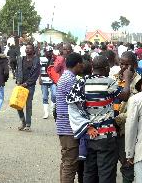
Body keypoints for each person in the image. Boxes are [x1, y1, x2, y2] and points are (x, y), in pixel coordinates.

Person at [67, 55, 133, 183]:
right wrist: (127, 79)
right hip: (106, 136)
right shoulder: (108, 82)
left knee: (89, 172)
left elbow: (74, 105)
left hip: (89, 134)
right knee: (106, 173)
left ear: (92, 67)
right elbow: (124, 96)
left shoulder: (83, 82)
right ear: (107, 68)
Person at [56, 52, 84, 183]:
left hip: (64, 126)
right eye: (82, 64)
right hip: (68, 127)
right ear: (78, 64)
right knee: (70, 163)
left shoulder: (65, 77)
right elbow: (78, 103)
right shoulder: (70, 80)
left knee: (66, 161)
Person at [113, 51, 141, 183]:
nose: (123, 67)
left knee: (127, 166)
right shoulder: (113, 78)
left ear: (134, 65)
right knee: (109, 165)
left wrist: (117, 119)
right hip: (111, 129)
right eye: (121, 64)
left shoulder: (139, 82)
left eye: (127, 64)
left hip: (126, 130)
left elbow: (135, 111)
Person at [16, 44, 40, 131]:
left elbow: (35, 75)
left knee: (28, 105)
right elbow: (18, 70)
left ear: (33, 50)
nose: (28, 49)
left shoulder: (36, 61)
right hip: (20, 85)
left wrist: (26, 84)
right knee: (18, 104)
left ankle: (28, 124)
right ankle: (23, 122)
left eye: (30, 48)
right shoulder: (21, 59)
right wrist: (18, 81)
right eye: (27, 48)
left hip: (30, 86)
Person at [39, 45, 56, 119]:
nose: (50, 53)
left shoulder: (55, 59)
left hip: (53, 80)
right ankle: (46, 112)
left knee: (54, 95)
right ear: (45, 51)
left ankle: (53, 110)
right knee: (45, 97)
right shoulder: (41, 58)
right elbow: (39, 69)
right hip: (44, 79)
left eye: (51, 51)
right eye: (48, 51)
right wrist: (39, 78)